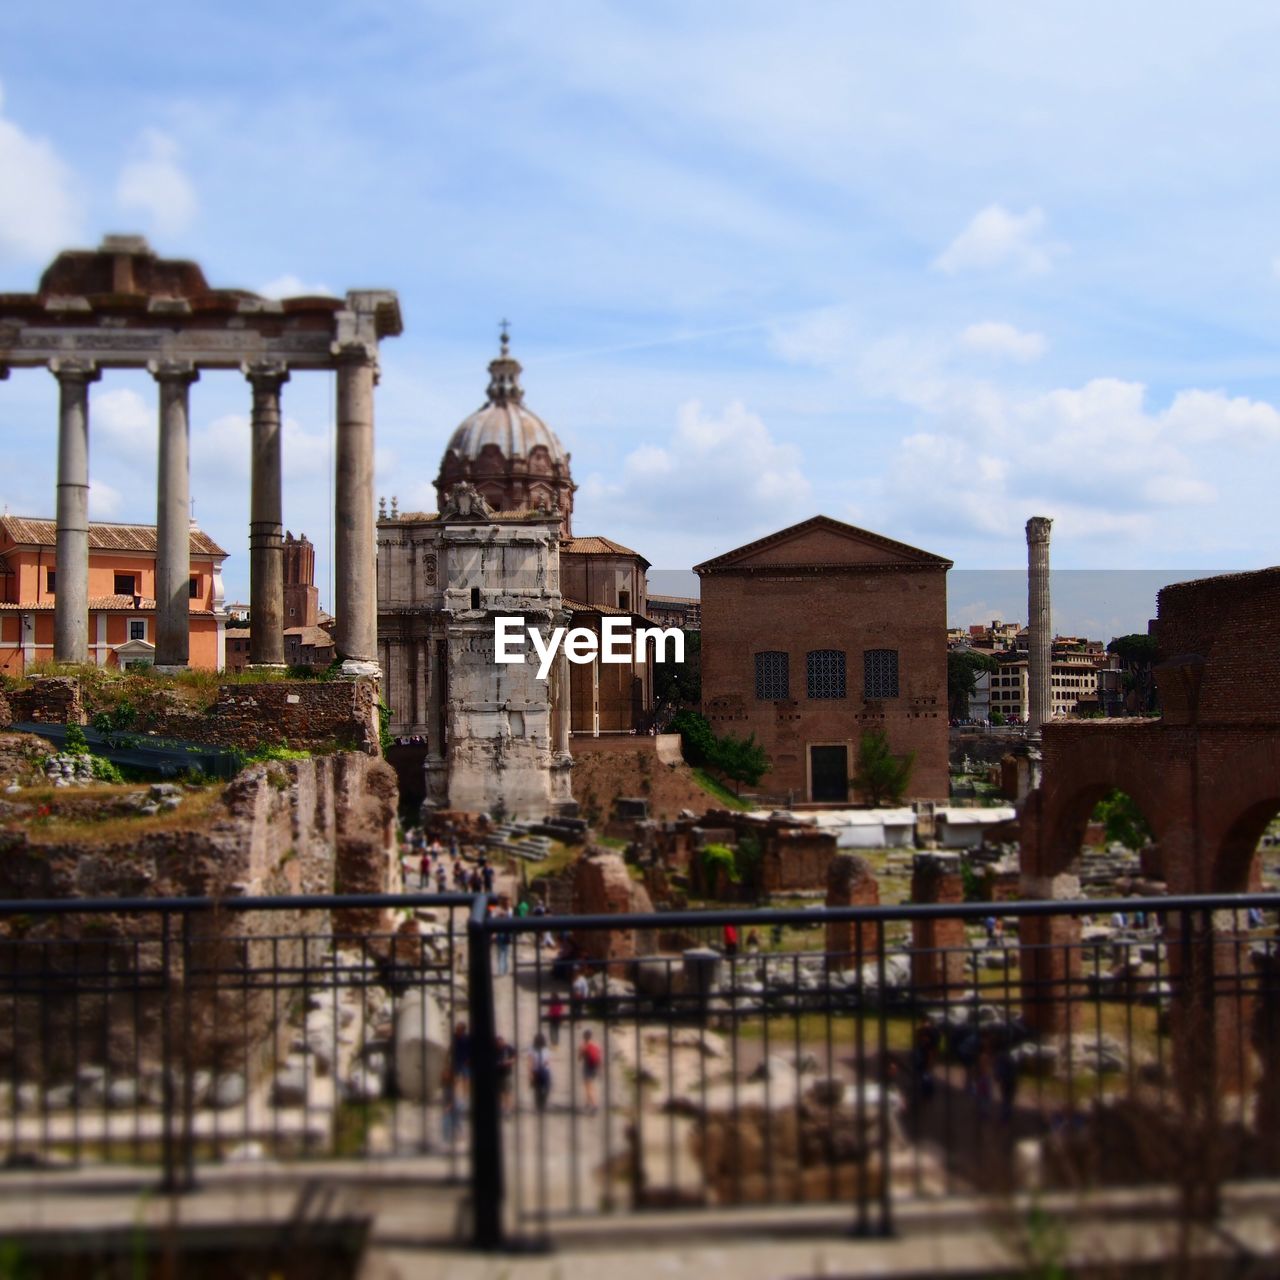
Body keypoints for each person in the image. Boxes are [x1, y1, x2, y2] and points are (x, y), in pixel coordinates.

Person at [527, 1033, 553, 1113]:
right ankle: (540, 1105)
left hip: (539, 1070)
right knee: (543, 1088)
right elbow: (531, 1061)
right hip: (542, 1070)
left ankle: (540, 1105)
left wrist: (530, 1072)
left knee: (539, 1089)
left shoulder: (542, 1049)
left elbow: (530, 1062)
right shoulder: (541, 1049)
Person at [578, 1029, 602, 1114]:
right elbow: (599, 1057)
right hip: (595, 1067)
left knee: (588, 1088)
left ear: (584, 1037)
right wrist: (600, 1069)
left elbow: (579, 1058)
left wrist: (581, 1053)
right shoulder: (596, 1044)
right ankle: (587, 1103)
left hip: (587, 1068)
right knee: (591, 1086)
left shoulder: (583, 1046)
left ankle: (594, 1105)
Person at [448, 1020, 471, 1101]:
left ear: (462, 1030)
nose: (456, 1029)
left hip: (465, 1061)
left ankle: (466, 1096)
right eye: (456, 1028)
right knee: (455, 1079)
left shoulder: (467, 1038)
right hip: (456, 1060)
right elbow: (451, 1047)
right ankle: (456, 1096)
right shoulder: (454, 1036)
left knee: (466, 1079)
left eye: (458, 1028)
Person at [495, 1035, 516, 1116]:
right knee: (500, 1093)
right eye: (498, 1044)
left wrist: (509, 1061)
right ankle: (502, 1108)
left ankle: (508, 1109)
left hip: (507, 1073)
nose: (499, 1045)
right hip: (497, 1074)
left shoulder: (508, 1048)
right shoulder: (494, 1049)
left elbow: (514, 1057)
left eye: (500, 1043)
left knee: (508, 1092)